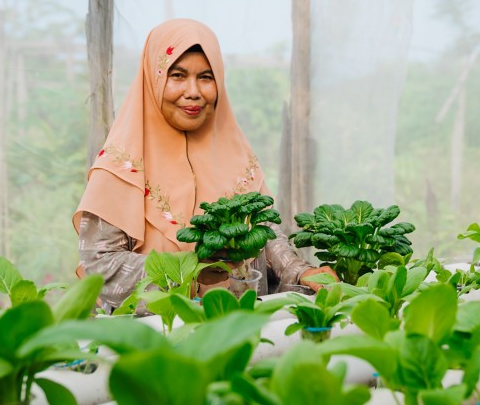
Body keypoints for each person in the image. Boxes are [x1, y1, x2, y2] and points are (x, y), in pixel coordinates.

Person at [73, 18, 336, 312]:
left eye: (206, 77)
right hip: (152, 340)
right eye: (178, 75)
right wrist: (191, 276)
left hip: (238, 330)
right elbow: (100, 264)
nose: (193, 91)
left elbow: (264, 232)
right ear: (154, 78)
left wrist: (298, 271)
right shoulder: (121, 165)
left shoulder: (235, 154)